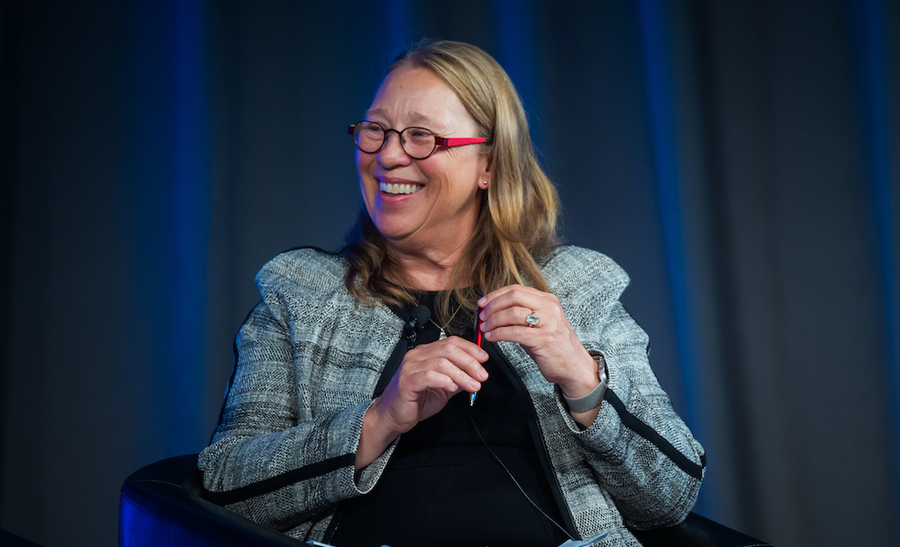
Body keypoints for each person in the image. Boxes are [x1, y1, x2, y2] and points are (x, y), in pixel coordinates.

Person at [199, 39, 705, 547]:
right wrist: (380, 419)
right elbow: (227, 485)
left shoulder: (576, 288)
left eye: (422, 137)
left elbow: (671, 497)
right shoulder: (301, 291)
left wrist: (581, 377)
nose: (389, 156)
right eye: (375, 130)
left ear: (488, 165)